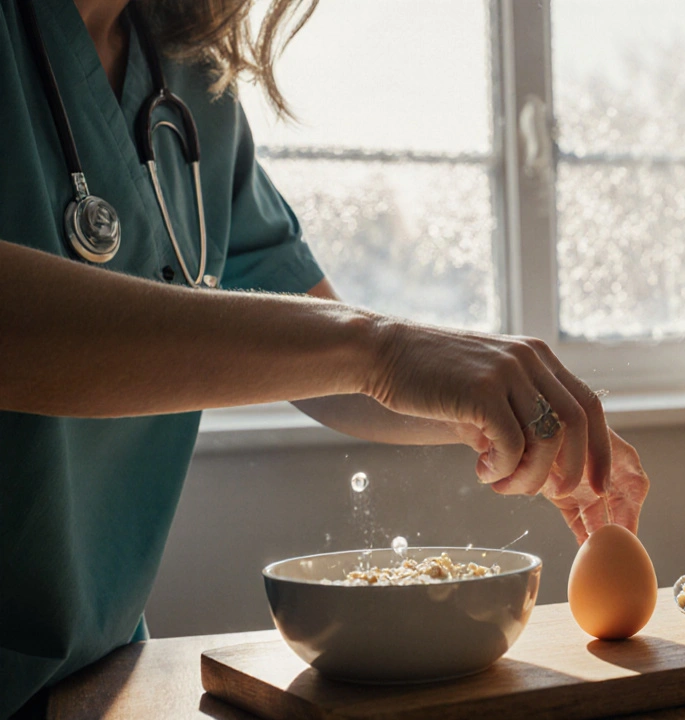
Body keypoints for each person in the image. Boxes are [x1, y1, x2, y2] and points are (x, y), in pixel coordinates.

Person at [0, 0, 650, 715]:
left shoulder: (185, 76)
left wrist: (505, 408)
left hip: (97, 676)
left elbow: (325, 366)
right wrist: (381, 349)